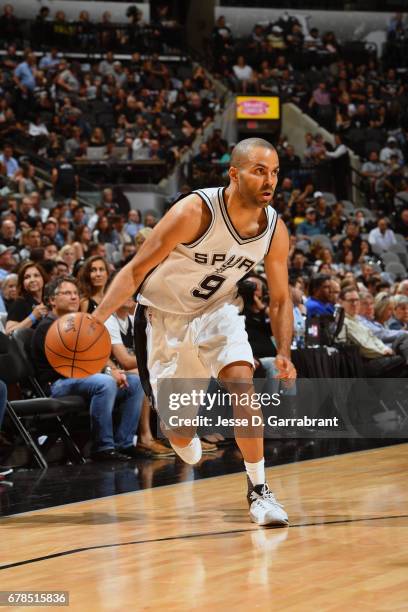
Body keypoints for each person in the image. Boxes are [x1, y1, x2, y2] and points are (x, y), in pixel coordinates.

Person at [93, 138, 296, 527]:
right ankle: (181, 434)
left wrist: (284, 350)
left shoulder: (274, 229)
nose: (270, 180)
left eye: (274, 172)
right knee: (181, 434)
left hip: (216, 309)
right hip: (164, 316)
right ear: (234, 173)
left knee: (242, 381)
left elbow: (280, 299)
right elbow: (136, 269)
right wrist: (97, 319)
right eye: (259, 171)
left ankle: (259, 490)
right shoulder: (194, 211)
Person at [31, 276, 144, 461]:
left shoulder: (78, 325)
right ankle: (103, 447)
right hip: (57, 384)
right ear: (52, 300)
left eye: (76, 293)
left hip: (83, 379)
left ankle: (124, 443)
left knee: (136, 382)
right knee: (106, 383)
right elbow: (73, 365)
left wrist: (111, 370)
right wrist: (108, 373)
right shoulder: (46, 328)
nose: (74, 297)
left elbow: (95, 359)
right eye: (67, 293)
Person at [104, 294, 174, 458]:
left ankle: (174, 435)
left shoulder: (130, 319)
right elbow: (126, 361)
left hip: (127, 371)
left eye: (132, 293)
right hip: (112, 372)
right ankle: (145, 436)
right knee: (147, 376)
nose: (129, 296)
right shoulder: (109, 321)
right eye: (124, 292)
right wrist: (159, 356)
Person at [6, 261, 48, 334]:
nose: (32, 280)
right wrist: (33, 316)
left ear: (43, 278)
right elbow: (9, 331)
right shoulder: (19, 303)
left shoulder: (50, 300)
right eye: (27, 277)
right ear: (22, 283)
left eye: (36, 275)